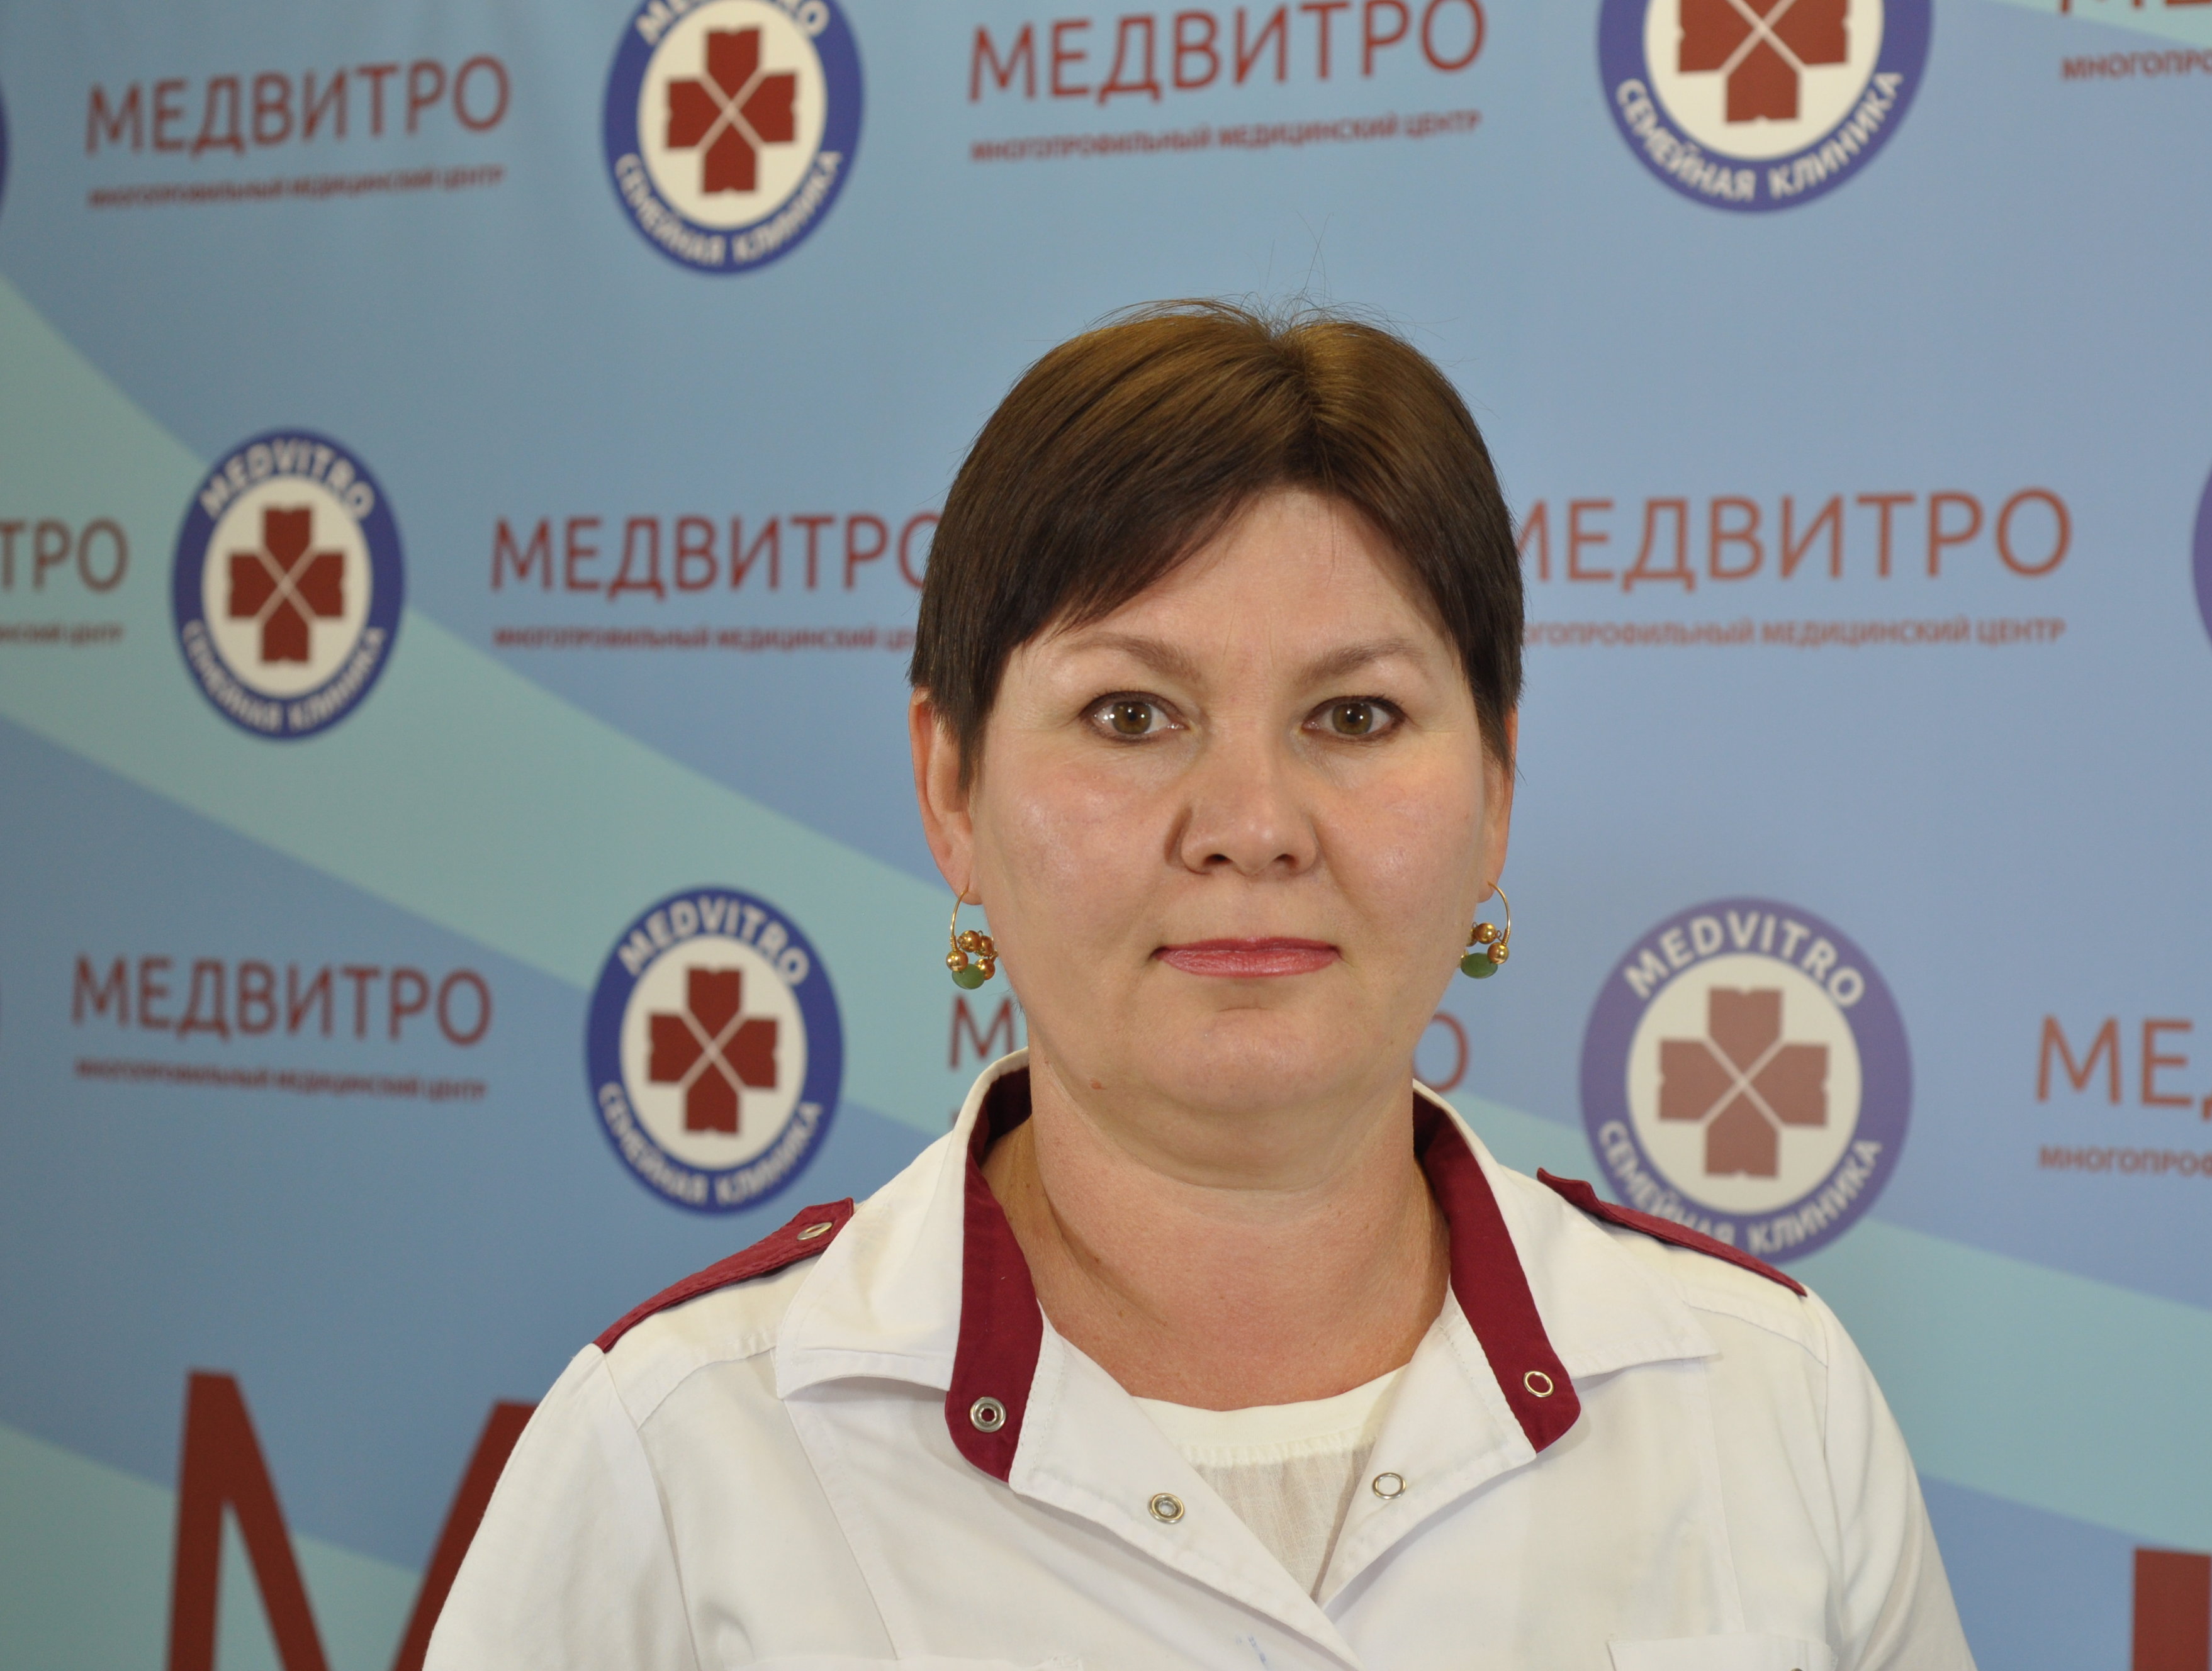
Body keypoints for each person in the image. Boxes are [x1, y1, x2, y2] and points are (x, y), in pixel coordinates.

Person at [427, 302, 1975, 1671]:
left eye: (1354, 714)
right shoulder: (681, 1448)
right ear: (950, 785)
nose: (1250, 823)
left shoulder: (1766, 1395)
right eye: (1129, 713)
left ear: (1496, 789)